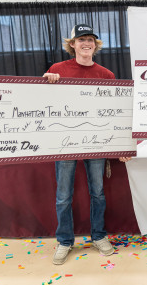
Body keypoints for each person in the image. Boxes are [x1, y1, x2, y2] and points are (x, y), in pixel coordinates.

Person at [44, 23, 117, 265]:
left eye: (91, 40)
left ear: (96, 45)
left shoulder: (106, 75)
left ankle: (98, 236)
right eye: (81, 39)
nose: (87, 43)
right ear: (72, 44)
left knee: (97, 192)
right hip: (65, 143)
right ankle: (65, 240)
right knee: (63, 195)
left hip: (95, 142)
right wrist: (46, 83)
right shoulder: (57, 70)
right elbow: (43, 104)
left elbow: (113, 113)